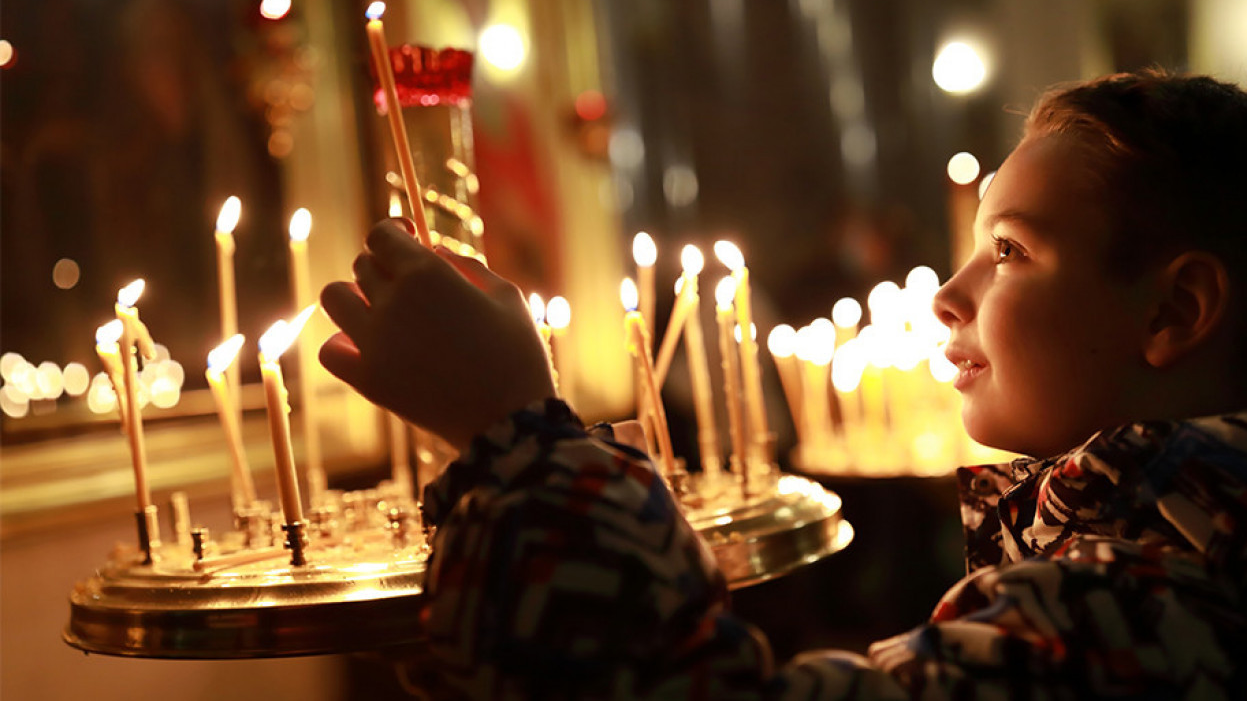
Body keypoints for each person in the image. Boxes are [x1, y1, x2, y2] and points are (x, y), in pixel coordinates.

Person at [319, 70, 1247, 698]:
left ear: (1173, 311)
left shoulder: (1139, 612)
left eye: (1007, 252)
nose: (947, 299)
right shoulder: (1137, 550)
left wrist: (510, 429)